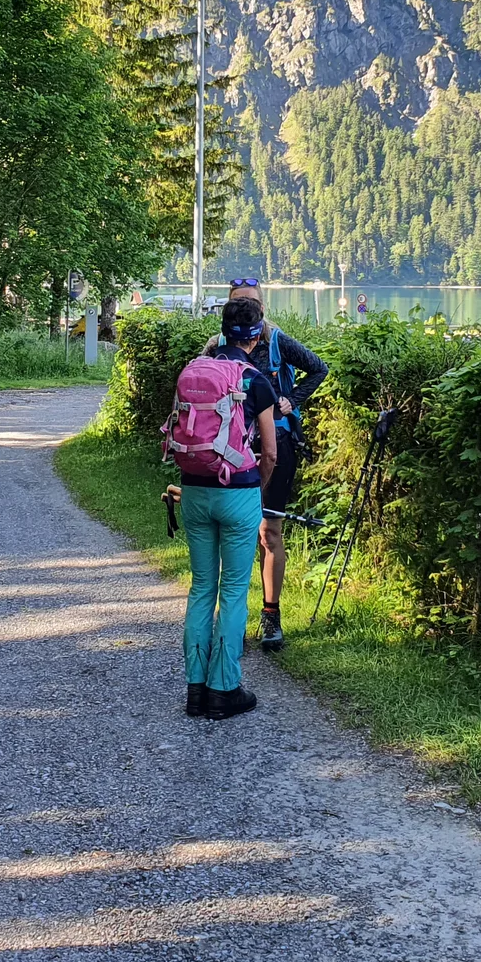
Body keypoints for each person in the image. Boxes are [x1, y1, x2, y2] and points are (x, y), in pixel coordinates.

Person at [201, 278, 327, 651]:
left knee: (268, 532)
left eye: (252, 304)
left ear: (263, 309)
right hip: (229, 450)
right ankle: (233, 617)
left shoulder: (276, 340)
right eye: (238, 304)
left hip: (278, 444)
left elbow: (319, 368)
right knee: (233, 531)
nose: (246, 310)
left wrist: (290, 399)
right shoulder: (216, 347)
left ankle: (271, 617)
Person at [176, 297, 278, 721]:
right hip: (238, 494)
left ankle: (195, 691)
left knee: (202, 587)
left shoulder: (195, 372)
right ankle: (224, 689)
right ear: (256, 338)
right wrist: (258, 489)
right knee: (234, 590)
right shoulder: (255, 381)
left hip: (194, 490)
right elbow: (270, 453)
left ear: (221, 331)